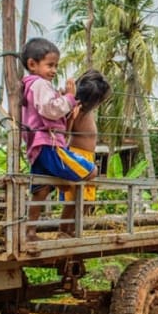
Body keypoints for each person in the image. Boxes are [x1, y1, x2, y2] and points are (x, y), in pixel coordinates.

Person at [19, 37, 98, 240]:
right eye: (50, 65)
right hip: (49, 145)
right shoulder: (40, 84)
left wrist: (63, 103)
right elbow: (50, 109)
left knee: (41, 190)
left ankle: (30, 231)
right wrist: (69, 98)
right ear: (32, 64)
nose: (54, 70)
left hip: (37, 147)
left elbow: (44, 110)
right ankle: (67, 228)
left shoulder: (28, 86)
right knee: (91, 171)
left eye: (56, 66)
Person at [59, 69, 111, 235]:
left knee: (87, 199)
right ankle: (63, 229)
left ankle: (73, 229)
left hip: (88, 157)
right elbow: (65, 133)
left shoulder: (88, 110)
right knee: (74, 199)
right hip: (77, 155)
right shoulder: (76, 109)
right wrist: (71, 118)